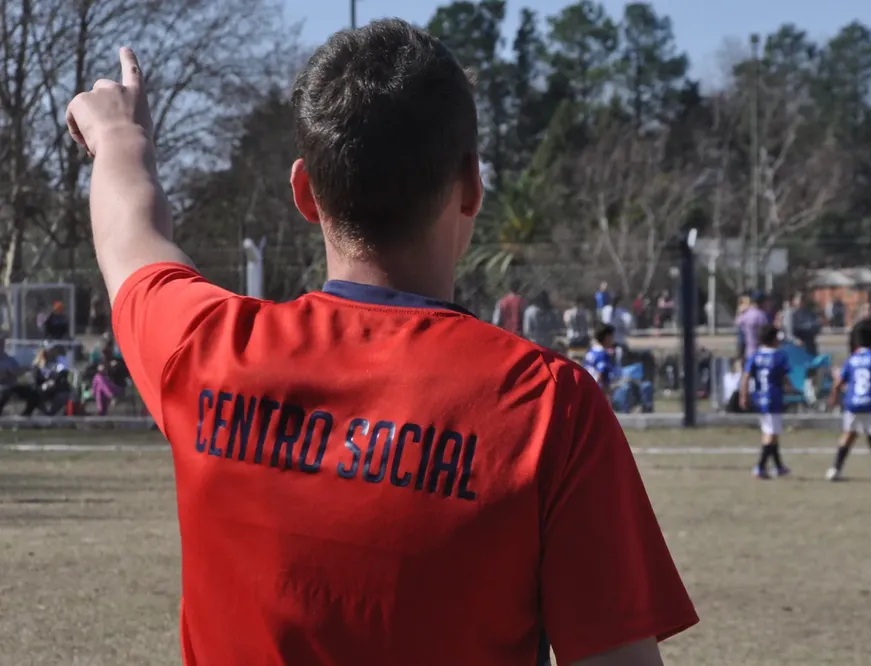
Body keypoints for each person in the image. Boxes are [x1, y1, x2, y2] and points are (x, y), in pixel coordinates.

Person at [66, 29, 697, 666]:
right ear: (472, 186)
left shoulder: (207, 351)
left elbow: (130, 239)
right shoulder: (547, 407)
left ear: (305, 192)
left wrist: (120, 137)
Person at [826, 322, 871, 486]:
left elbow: (838, 383)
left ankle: (835, 469)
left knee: (848, 435)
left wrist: (834, 398)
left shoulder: (852, 359)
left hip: (853, 403)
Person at [739, 325, 797, 479]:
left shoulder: (756, 355)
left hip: (760, 397)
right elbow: (785, 376)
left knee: (772, 431)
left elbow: (746, 376)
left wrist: (743, 395)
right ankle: (760, 466)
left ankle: (779, 467)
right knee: (770, 433)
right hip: (773, 398)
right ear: (774, 339)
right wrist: (791, 388)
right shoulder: (779, 356)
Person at [0, 337, 40, 416]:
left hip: (12, 386)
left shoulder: (10, 359)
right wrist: (9, 372)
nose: (1, 346)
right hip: (2, 387)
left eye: (2, 344)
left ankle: (25, 415)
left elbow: (17, 372)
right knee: (5, 393)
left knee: (34, 393)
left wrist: (27, 368)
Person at [735, 291, 769, 359]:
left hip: (748, 350)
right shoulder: (761, 315)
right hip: (759, 351)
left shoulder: (746, 313)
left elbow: (737, 322)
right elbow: (765, 333)